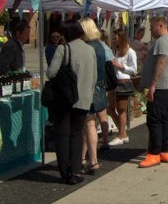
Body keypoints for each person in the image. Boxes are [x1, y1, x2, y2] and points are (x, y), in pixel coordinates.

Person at [46, 21, 97, 185]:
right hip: (83, 99)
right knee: (76, 135)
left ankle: (64, 171)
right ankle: (75, 170)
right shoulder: (90, 50)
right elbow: (95, 76)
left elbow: (51, 73)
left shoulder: (63, 49)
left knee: (63, 134)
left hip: (64, 99)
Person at [137, 16, 168, 168]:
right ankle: (164, 150)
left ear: (160, 26)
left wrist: (153, 85)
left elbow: (161, 63)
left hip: (162, 86)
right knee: (165, 119)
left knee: (155, 120)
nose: (150, 30)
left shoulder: (162, 42)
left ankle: (154, 153)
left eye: (152, 27)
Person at [78, 17, 108, 175]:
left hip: (90, 89)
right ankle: (83, 159)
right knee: (88, 124)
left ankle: (93, 160)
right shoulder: (100, 45)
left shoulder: (89, 47)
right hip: (99, 88)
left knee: (89, 125)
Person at [108, 28, 137, 146]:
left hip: (123, 81)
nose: (114, 40)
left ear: (121, 38)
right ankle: (122, 132)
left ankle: (121, 134)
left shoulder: (130, 51)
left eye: (115, 37)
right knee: (110, 109)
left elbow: (134, 70)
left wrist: (120, 66)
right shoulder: (115, 50)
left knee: (121, 109)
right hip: (114, 82)